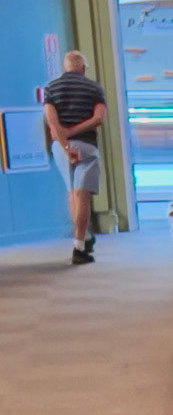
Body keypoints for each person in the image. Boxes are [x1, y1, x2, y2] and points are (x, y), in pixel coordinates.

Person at [41, 50, 107, 265]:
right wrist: (74, 132)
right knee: (83, 195)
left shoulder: (51, 88)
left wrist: (64, 144)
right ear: (83, 68)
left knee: (72, 193)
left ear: (65, 67)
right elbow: (98, 118)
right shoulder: (93, 88)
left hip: (60, 148)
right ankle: (79, 247)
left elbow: (51, 119)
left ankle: (84, 237)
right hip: (86, 145)